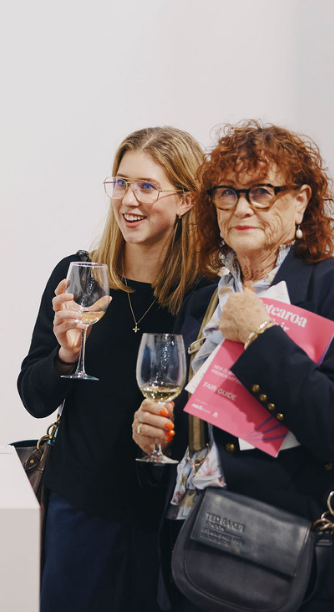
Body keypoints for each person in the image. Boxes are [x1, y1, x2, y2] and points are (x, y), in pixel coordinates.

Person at [133, 121, 334, 611]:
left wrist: (261, 338)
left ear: (300, 201)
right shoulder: (201, 300)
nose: (242, 207)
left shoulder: (326, 289)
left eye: (262, 191)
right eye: (227, 192)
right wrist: (155, 437)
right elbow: (196, 430)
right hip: (189, 542)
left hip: (277, 557)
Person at [17, 126, 205, 612]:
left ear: (187, 200)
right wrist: (64, 355)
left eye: (147, 186)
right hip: (81, 509)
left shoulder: (204, 295)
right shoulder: (79, 275)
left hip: (164, 518)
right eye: (121, 183)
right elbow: (34, 398)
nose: (128, 199)